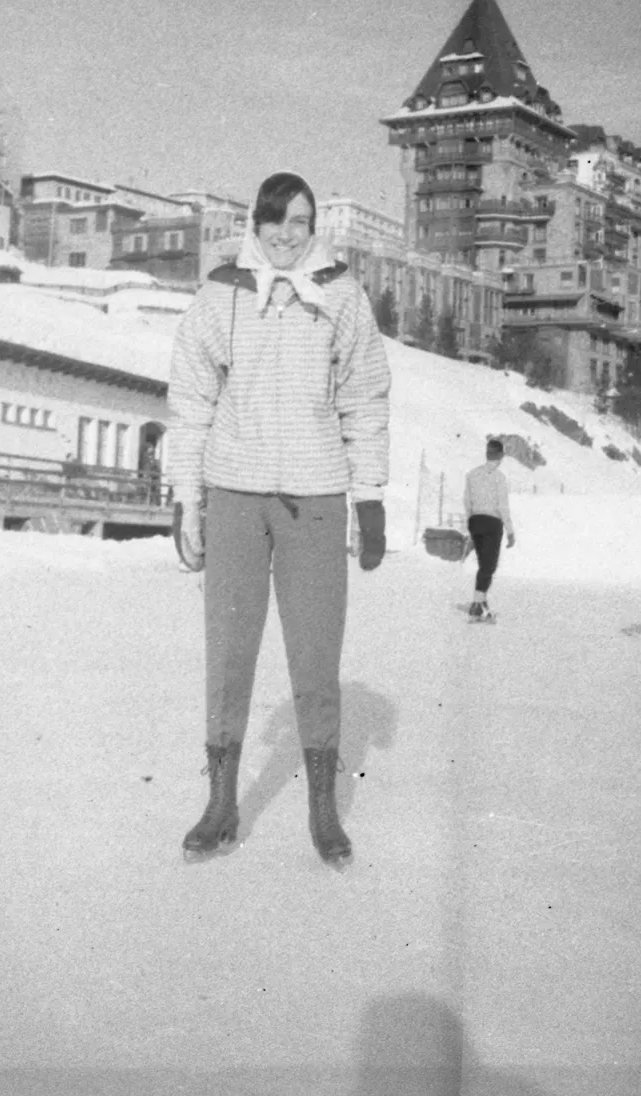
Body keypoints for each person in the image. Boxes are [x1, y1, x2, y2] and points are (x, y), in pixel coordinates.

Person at [167, 171, 391, 864]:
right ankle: (221, 802)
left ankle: (324, 811)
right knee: (228, 654)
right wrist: (186, 497)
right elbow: (191, 401)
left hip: (316, 498)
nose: (286, 234)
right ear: (255, 224)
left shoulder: (342, 295)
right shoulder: (221, 293)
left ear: (314, 227)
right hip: (234, 495)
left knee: (316, 658)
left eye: (300, 221)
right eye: (275, 220)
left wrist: (369, 496)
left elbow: (365, 397)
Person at [463, 438, 515, 620]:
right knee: (489, 565)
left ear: (487, 453)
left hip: (475, 521)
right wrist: (510, 530)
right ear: (500, 455)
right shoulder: (500, 478)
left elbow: (467, 501)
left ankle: (482, 602)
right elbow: (503, 506)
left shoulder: (472, 474)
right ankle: (477, 605)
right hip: (492, 523)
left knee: (483, 564)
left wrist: (470, 523)